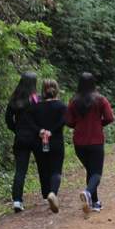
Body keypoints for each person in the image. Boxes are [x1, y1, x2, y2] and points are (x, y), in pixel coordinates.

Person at [67, 72, 115, 215]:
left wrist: (78, 124)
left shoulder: (73, 101)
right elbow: (109, 117)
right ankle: (88, 193)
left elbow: (68, 121)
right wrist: (98, 124)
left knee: (90, 170)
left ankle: (95, 203)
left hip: (79, 142)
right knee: (96, 173)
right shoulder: (100, 100)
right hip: (95, 140)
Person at [30, 79, 67, 213]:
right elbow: (64, 121)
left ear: (43, 91)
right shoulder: (62, 106)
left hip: (39, 142)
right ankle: (53, 193)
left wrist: (40, 131)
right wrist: (52, 131)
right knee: (56, 170)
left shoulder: (35, 107)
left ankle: (46, 195)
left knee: (43, 169)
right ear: (56, 90)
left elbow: (30, 123)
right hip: (56, 141)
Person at [5, 72, 40, 213]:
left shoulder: (14, 100)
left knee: (20, 170)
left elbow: (8, 120)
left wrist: (16, 129)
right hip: (36, 137)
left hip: (20, 138)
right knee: (44, 166)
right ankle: (48, 193)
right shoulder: (36, 99)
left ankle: (17, 201)